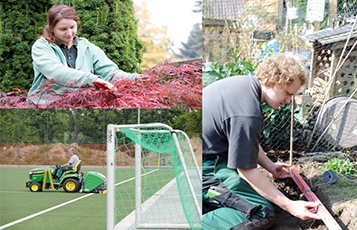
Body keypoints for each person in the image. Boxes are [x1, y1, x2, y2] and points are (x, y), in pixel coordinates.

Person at [202, 53, 321, 229]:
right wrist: (291, 206)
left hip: (203, 160)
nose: (288, 101)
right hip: (203, 172)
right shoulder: (247, 112)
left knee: (245, 199)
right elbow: (246, 171)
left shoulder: (245, 87)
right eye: (288, 93)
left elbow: (245, 139)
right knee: (258, 212)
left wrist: (269, 166)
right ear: (273, 82)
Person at [28, 5, 151, 105]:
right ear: (52, 29)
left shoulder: (88, 48)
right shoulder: (41, 47)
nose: (69, 33)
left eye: (72, 27)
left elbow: (111, 73)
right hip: (45, 107)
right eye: (63, 29)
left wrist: (134, 78)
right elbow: (56, 72)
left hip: (80, 108)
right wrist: (91, 79)